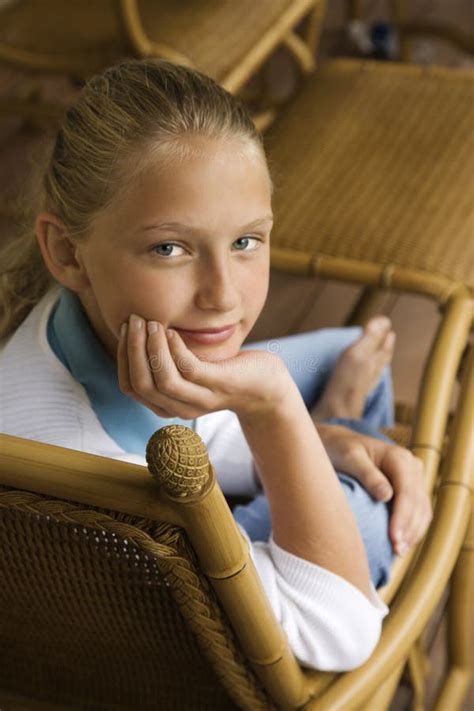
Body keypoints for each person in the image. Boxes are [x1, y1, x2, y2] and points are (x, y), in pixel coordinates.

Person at [0, 58, 431, 672]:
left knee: (342, 350)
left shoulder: (82, 309)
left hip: (175, 471)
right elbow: (345, 630)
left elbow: (185, 431)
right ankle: (344, 418)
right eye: (170, 248)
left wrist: (319, 437)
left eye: (246, 241)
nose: (223, 295)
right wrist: (277, 409)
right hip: (177, 631)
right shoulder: (93, 494)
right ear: (66, 252)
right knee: (365, 505)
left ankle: (337, 420)